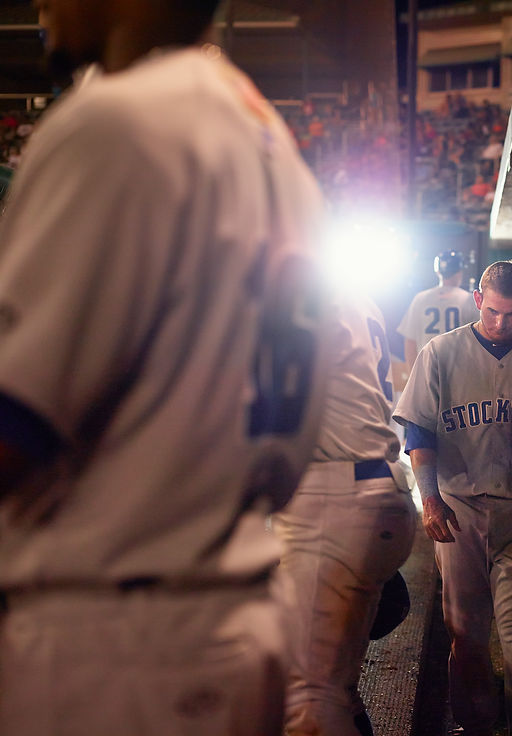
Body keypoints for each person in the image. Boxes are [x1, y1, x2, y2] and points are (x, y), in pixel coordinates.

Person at [0, 2, 326, 734]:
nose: (41, 5)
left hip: (113, 639)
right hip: (230, 606)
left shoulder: (118, 121)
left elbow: (15, 424)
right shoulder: (273, 143)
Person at [394, 261, 512, 736]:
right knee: (467, 637)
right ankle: (475, 724)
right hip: (459, 509)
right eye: (494, 311)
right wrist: (430, 499)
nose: (501, 323)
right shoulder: (440, 352)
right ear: (478, 300)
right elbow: (418, 431)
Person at [273, 296, 417, 736]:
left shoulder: (294, 290)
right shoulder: (354, 296)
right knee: (334, 690)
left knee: (308, 700)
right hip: (370, 489)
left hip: (336, 496)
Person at [398, 249, 479, 370]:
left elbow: (410, 342)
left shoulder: (420, 299)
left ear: (438, 272)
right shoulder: (469, 300)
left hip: (427, 368)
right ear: (459, 272)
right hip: (459, 371)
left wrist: (413, 375)